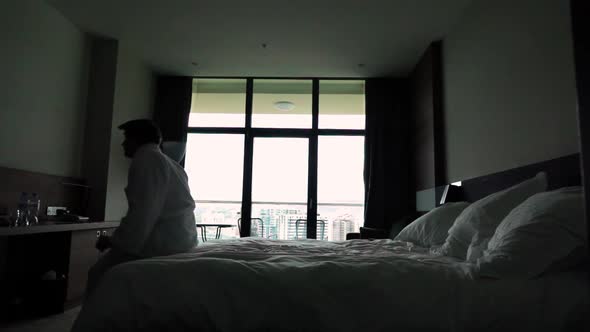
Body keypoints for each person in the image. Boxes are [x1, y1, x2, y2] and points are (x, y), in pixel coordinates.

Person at [86, 119, 197, 295]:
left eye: (126, 138)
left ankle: (100, 321)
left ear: (137, 139)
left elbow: (143, 213)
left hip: (165, 245)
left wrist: (115, 242)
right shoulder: (172, 164)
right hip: (182, 240)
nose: (123, 144)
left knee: (99, 275)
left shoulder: (147, 159)